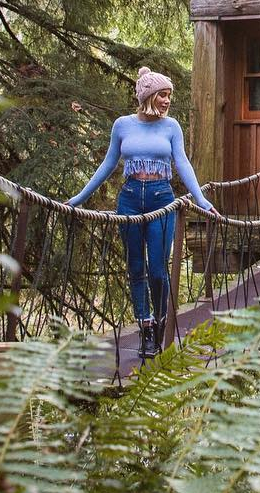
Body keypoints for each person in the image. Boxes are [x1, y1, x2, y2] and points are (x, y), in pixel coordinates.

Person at [67, 66, 216, 358]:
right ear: (148, 95)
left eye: (169, 95)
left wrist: (201, 200)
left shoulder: (172, 127)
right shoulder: (122, 125)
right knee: (136, 267)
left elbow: (182, 163)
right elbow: (108, 164)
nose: (167, 100)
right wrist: (80, 198)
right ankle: (146, 328)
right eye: (163, 94)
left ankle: (161, 320)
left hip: (162, 199)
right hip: (130, 200)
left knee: (159, 271)